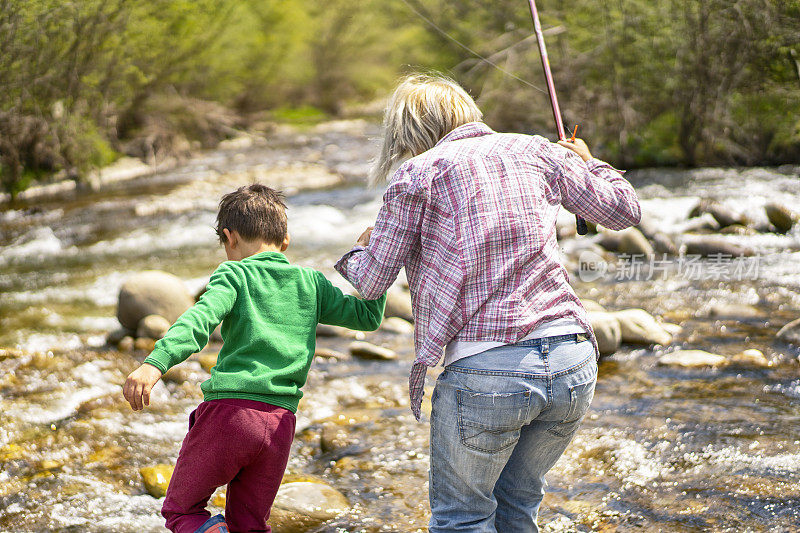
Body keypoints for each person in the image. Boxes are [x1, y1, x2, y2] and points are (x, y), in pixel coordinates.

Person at [334, 74, 641, 532]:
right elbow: (624, 210)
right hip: (573, 360)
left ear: (408, 132)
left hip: (488, 372)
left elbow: (374, 281)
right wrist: (589, 162)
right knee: (517, 505)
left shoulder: (418, 173)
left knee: (462, 519)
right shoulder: (537, 149)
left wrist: (359, 249)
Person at [123, 184, 386, 533]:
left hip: (230, 415)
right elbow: (367, 317)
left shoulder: (234, 274)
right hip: (279, 425)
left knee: (183, 511)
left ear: (229, 238)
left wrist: (155, 362)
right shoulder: (310, 282)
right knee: (249, 525)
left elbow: (198, 321)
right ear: (285, 240)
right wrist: (372, 259)